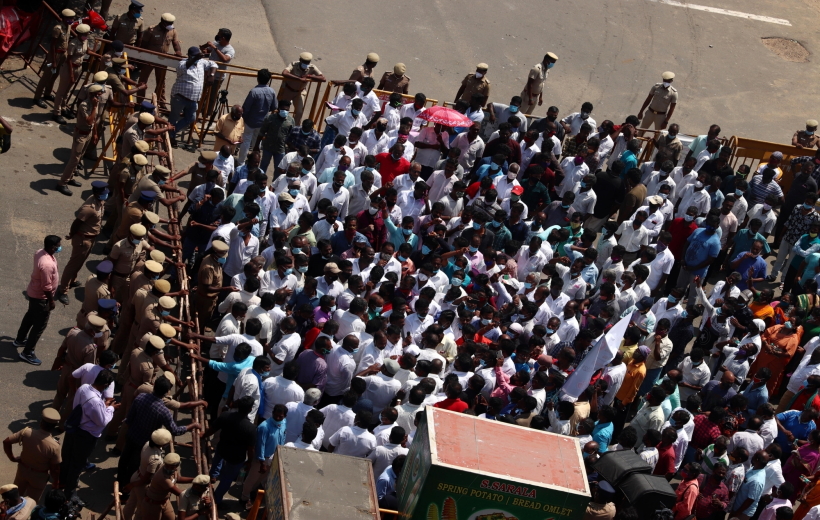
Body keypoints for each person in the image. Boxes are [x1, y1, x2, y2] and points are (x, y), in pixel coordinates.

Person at [60, 370, 117, 495]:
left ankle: (62, 482)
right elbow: (102, 421)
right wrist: (111, 408)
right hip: (85, 435)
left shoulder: (84, 387)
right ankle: (69, 493)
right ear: (105, 385)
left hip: (73, 428)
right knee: (77, 464)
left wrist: (104, 405)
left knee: (67, 457)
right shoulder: (96, 402)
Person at [14, 235, 62, 366]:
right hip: (41, 298)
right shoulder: (46, 265)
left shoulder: (40, 252)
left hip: (34, 293)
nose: (60, 247)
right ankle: (27, 352)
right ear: (52, 247)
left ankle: (20, 339)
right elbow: (46, 286)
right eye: (58, 245)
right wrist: (51, 301)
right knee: (39, 325)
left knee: (30, 316)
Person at [202, 396, 257, 506]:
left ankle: (212, 476)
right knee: (227, 479)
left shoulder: (225, 416)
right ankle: (216, 500)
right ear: (251, 409)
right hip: (236, 457)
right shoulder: (251, 428)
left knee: (217, 461)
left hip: (222, 448)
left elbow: (213, 429)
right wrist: (250, 461)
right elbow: (251, 448)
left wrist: (203, 436)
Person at [2, 408, 61, 504]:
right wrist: (56, 481)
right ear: (54, 426)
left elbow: (7, 441)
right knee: (31, 503)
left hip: (22, 469)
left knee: (15, 497)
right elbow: (55, 468)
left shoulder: (26, 432)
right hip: (39, 476)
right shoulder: (55, 446)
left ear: (41, 422)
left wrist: (12, 458)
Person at [168, 46, 218, 148]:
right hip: (180, 97)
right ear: (190, 56)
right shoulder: (183, 63)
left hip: (193, 99)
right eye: (195, 56)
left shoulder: (201, 62)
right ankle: (170, 137)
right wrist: (195, 58)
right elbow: (183, 67)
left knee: (191, 118)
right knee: (174, 117)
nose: (198, 58)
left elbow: (214, 64)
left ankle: (170, 131)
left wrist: (211, 74)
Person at [238, 69, 277, 165]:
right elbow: (274, 107)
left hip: (250, 121)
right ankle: (255, 162)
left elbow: (246, 108)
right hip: (263, 122)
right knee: (257, 143)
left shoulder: (254, 92)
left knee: (246, 141)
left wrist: (243, 119)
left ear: (258, 79)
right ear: (269, 80)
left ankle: (241, 162)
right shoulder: (272, 91)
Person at [279, 52, 326, 123]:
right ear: (300, 60)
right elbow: (284, 73)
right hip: (288, 90)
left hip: (300, 92)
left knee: (299, 112)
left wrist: (309, 76)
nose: (306, 64)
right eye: (304, 62)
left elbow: (323, 78)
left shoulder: (312, 67)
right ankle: (280, 123)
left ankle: (294, 127)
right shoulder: (294, 64)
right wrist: (299, 79)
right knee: (282, 109)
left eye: (307, 62)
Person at [729, 450, 769, 520]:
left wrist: (737, 513)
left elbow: (750, 499)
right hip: (737, 507)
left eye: (754, 455)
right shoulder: (754, 468)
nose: (752, 456)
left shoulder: (757, 480)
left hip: (743, 513)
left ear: (757, 459)